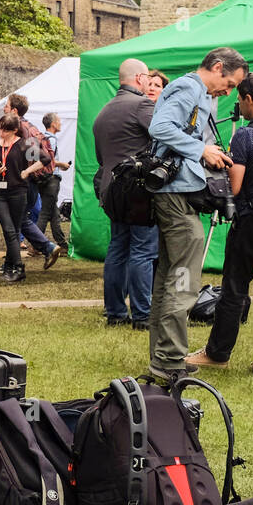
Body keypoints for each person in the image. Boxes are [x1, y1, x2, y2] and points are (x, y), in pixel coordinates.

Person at [145, 47, 248, 383]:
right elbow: (159, 127)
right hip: (175, 193)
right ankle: (170, 361)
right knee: (184, 279)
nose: (229, 91)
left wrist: (205, 152)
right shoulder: (188, 88)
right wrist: (200, 149)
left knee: (169, 277)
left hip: (174, 192)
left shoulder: (198, 92)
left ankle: (162, 359)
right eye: (229, 83)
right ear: (217, 67)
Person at [185, 73, 253, 377]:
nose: (237, 103)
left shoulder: (247, 135)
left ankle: (218, 354)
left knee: (235, 288)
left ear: (250, 100)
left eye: (240, 98)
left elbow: (235, 187)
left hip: (251, 222)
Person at [93, 58, 158, 329]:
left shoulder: (103, 111)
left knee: (118, 249)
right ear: (140, 78)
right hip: (137, 190)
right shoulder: (143, 105)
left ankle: (116, 313)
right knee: (142, 251)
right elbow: (164, 137)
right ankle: (143, 315)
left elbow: (101, 157)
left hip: (110, 190)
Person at [4, 93, 64, 269]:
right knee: (19, 220)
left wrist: (24, 170)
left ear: (14, 111)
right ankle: (17, 260)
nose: (4, 109)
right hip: (29, 182)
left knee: (17, 221)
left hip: (25, 182)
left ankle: (44, 249)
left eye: (6, 106)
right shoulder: (29, 126)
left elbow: (39, 156)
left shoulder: (22, 129)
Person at [0, 113, 35, 284]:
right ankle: (17, 266)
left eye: (6, 130)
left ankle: (12, 267)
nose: (2, 133)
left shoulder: (25, 144)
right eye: (0, 128)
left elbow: (45, 159)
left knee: (14, 231)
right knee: (9, 230)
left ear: (15, 130)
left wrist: (28, 171)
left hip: (18, 192)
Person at [38, 112, 69, 247]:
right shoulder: (51, 139)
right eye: (59, 121)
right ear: (53, 124)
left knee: (54, 212)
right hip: (51, 179)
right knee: (45, 212)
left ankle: (62, 244)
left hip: (45, 179)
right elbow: (47, 160)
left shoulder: (42, 138)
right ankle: (36, 244)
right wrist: (62, 164)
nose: (60, 123)